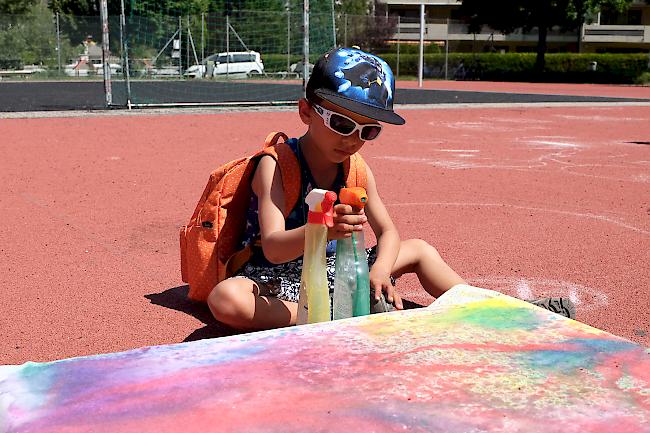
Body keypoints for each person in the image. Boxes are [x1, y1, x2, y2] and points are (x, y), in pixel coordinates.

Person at [207, 47, 573, 330]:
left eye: (368, 130)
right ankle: (330, 316)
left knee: (420, 250)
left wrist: (380, 270)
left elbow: (389, 232)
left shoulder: (356, 169)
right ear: (306, 111)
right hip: (282, 278)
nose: (352, 139)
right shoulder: (276, 165)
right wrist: (321, 229)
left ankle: (494, 311)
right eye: (340, 122)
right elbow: (272, 248)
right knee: (226, 299)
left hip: (340, 270)